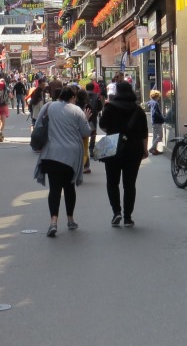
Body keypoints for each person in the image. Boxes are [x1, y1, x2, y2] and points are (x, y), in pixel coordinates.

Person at [33, 85, 91, 237]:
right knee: (69, 188)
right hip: (71, 155)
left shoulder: (48, 106)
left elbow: (38, 125)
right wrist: (85, 119)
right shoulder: (77, 110)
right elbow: (86, 132)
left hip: (52, 154)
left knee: (54, 189)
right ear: (73, 97)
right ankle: (70, 219)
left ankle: (53, 222)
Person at [99, 81, 149, 227]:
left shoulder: (110, 107)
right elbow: (144, 132)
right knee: (130, 185)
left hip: (113, 148)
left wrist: (113, 130)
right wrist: (145, 150)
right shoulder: (138, 110)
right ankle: (128, 217)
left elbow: (103, 125)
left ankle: (116, 212)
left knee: (112, 183)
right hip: (133, 149)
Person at [147, 89, 166, 155]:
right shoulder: (155, 103)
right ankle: (152, 148)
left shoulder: (151, 103)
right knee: (160, 136)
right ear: (156, 96)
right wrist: (162, 118)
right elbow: (155, 113)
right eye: (158, 96)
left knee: (155, 137)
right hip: (157, 122)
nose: (159, 98)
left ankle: (154, 150)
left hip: (154, 122)